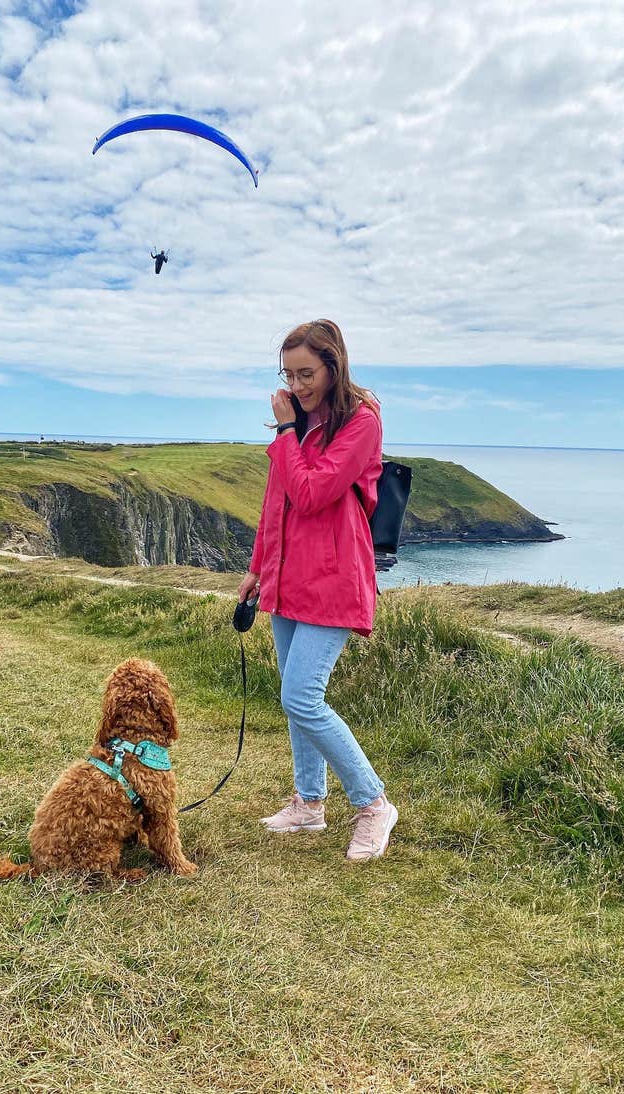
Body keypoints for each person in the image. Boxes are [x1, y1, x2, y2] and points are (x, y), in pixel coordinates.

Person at [237, 319, 397, 862]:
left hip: (333, 578)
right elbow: (275, 502)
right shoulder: (299, 424)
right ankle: (309, 802)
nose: (298, 384)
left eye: (307, 373)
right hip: (287, 576)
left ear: (334, 365)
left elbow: (310, 494)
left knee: (301, 696)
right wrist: (257, 569)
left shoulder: (361, 422)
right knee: (295, 700)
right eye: (289, 374)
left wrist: (285, 433)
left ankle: (373, 803)